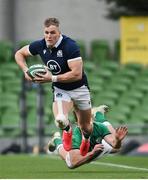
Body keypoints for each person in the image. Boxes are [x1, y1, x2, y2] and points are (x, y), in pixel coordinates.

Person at [15, 17, 92, 156]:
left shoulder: (70, 46)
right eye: (46, 32)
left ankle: (86, 139)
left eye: (52, 33)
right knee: (60, 119)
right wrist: (25, 70)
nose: (49, 36)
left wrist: (52, 78)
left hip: (80, 89)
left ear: (59, 32)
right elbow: (19, 54)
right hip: (61, 89)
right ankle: (67, 130)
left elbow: (77, 74)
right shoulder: (40, 45)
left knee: (86, 127)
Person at [47, 105, 128, 169]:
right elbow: (74, 162)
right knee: (70, 163)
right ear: (78, 123)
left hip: (97, 146)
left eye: (88, 119)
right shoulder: (76, 135)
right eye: (82, 121)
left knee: (117, 148)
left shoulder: (99, 126)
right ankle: (57, 140)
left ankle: (98, 114)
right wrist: (92, 153)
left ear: (91, 118)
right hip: (84, 153)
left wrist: (117, 140)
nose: (86, 123)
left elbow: (115, 144)